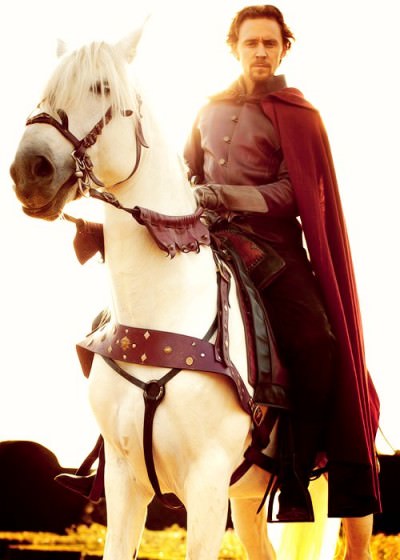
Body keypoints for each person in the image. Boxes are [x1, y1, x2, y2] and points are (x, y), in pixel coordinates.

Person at [183, 4, 380, 558]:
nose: (261, 51)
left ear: (284, 48)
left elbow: (296, 192)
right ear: (235, 47)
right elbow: (186, 171)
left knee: (318, 342)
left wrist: (226, 195)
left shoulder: (299, 115)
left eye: (270, 43)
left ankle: (295, 469)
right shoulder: (207, 109)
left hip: (272, 248)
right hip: (208, 240)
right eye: (252, 42)